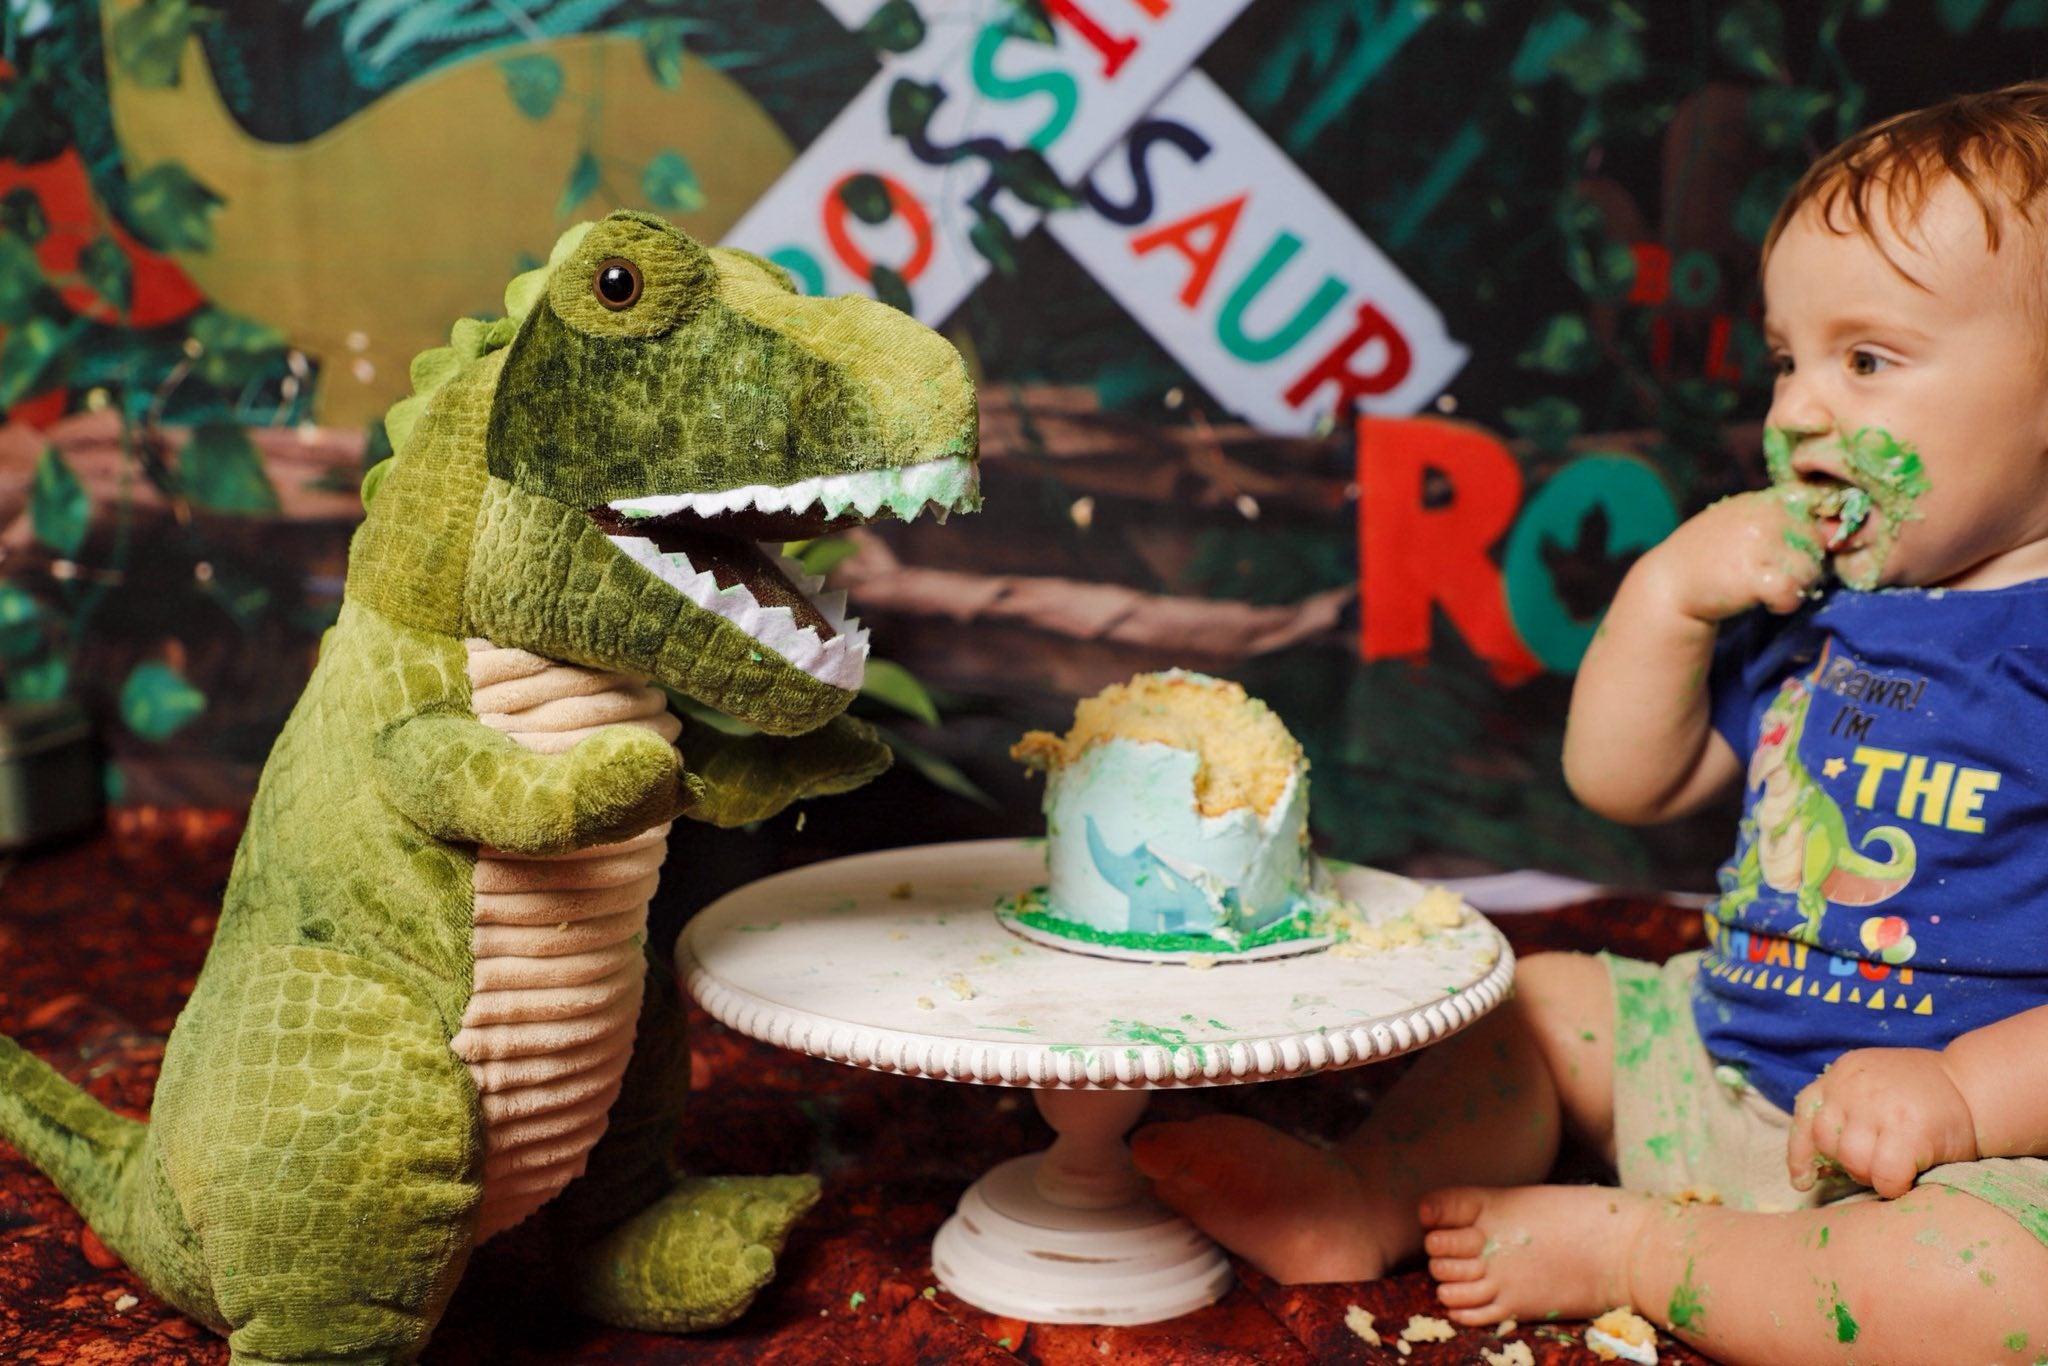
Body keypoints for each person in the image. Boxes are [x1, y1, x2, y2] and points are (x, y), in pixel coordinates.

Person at [1129, 81, 2048, 1363]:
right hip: (1715, 1062)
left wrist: (1960, 1095)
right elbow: (1626, 782)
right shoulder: (1815, 598)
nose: (1795, 409)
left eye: (1865, 360)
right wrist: (1666, 595)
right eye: (1785, 359)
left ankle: (1641, 1253)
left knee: (1993, 1289)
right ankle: (1358, 1196)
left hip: (1952, 1160)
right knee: (1546, 1003)